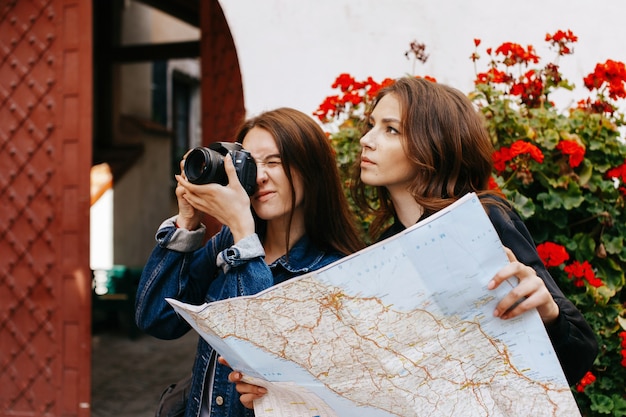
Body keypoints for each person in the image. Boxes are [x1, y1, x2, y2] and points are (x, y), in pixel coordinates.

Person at [230, 77, 598, 409]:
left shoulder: (481, 218)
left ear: (434, 143)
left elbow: (580, 352)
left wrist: (548, 312)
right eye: (371, 125)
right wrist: (278, 393)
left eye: (390, 130)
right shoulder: (383, 247)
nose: (366, 140)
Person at [135, 107, 364, 417]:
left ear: (312, 170)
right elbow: (157, 317)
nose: (259, 176)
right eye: (249, 164)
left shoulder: (330, 274)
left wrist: (244, 233)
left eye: (274, 162)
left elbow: (256, 351)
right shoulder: (226, 244)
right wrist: (187, 221)